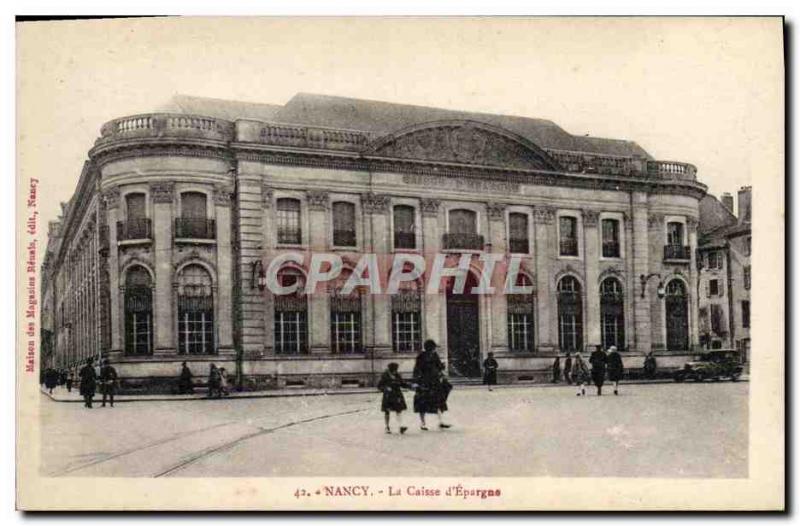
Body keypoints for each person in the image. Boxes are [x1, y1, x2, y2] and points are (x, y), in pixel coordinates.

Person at [413, 340, 451, 430]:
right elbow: (417, 369)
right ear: (430, 348)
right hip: (425, 382)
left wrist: (442, 367)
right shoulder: (421, 356)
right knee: (422, 403)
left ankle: (440, 422)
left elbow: (439, 366)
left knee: (438, 401)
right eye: (433, 348)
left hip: (434, 381)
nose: (434, 349)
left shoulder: (434, 355)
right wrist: (416, 382)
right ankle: (423, 423)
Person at [377, 362, 410, 434]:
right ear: (391, 369)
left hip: (397, 394)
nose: (396, 371)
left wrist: (410, 386)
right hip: (388, 396)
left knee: (399, 410)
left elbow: (402, 383)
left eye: (396, 369)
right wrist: (386, 388)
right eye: (395, 370)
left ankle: (401, 426)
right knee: (387, 411)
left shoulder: (397, 375)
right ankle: (387, 427)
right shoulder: (385, 376)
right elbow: (379, 386)